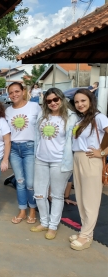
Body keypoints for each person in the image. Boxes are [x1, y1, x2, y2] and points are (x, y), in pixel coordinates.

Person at [30, 88, 79, 239]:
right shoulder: (42, 115)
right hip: (41, 159)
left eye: (55, 99)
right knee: (39, 194)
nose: (52, 103)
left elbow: (77, 139)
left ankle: (53, 226)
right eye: (49, 100)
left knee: (56, 195)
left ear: (62, 99)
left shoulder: (71, 117)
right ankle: (44, 222)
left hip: (60, 161)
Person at [69, 88, 108, 251]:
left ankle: (86, 236)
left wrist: (103, 152)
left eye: (83, 100)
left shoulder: (99, 117)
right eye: (77, 101)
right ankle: (85, 231)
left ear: (91, 100)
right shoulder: (81, 120)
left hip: (91, 159)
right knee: (81, 198)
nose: (80, 104)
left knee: (90, 200)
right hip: (78, 159)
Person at [5, 82, 41, 224]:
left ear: (23, 91)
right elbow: (6, 133)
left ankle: (32, 209)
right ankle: (22, 210)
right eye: (11, 93)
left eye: (17, 91)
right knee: (20, 182)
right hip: (14, 149)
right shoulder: (8, 111)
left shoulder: (34, 107)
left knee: (30, 183)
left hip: (30, 148)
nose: (14, 95)